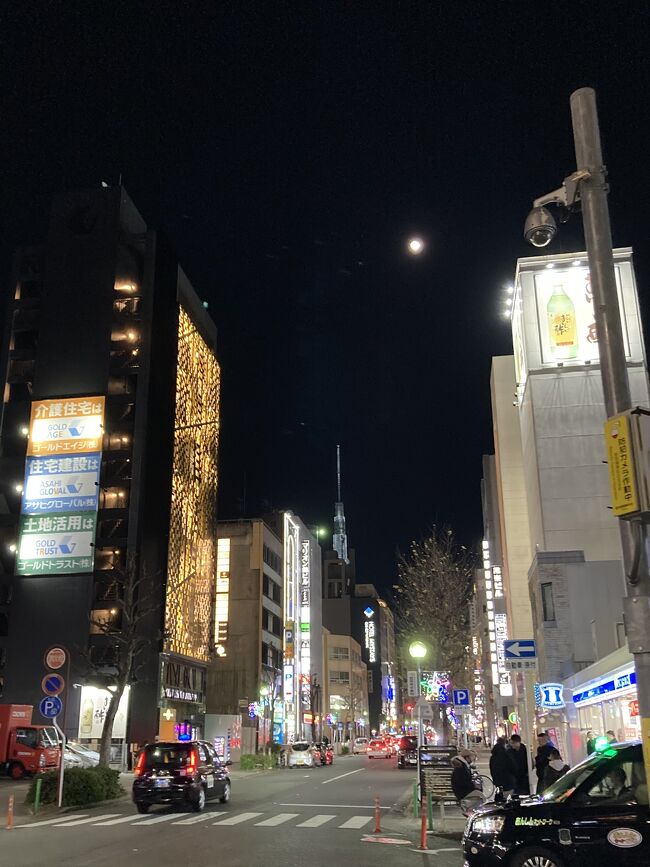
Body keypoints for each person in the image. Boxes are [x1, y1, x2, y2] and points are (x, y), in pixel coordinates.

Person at [451, 748, 483, 814]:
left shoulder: (462, 765)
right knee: (481, 796)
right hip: (462, 792)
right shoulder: (461, 767)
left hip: (461, 790)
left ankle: (473, 812)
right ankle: (474, 813)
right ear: (466, 757)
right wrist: (474, 786)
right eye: (471, 757)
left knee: (479, 792)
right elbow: (464, 782)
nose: (472, 759)